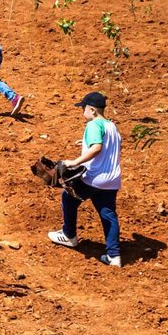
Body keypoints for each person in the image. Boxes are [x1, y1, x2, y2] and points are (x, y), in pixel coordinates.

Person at [47, 91, 123, 267]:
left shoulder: (93, 124)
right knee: (108, 214)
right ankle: (114, 256)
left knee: (68, 198)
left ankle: (69, 235)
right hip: (112, 180)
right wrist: (85, 144)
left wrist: (74, 162)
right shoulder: (112, 126)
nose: (82, 112)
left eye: (84, 108)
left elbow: (97, 148)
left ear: (93, 110)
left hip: (94, 177)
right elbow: (111, 147)